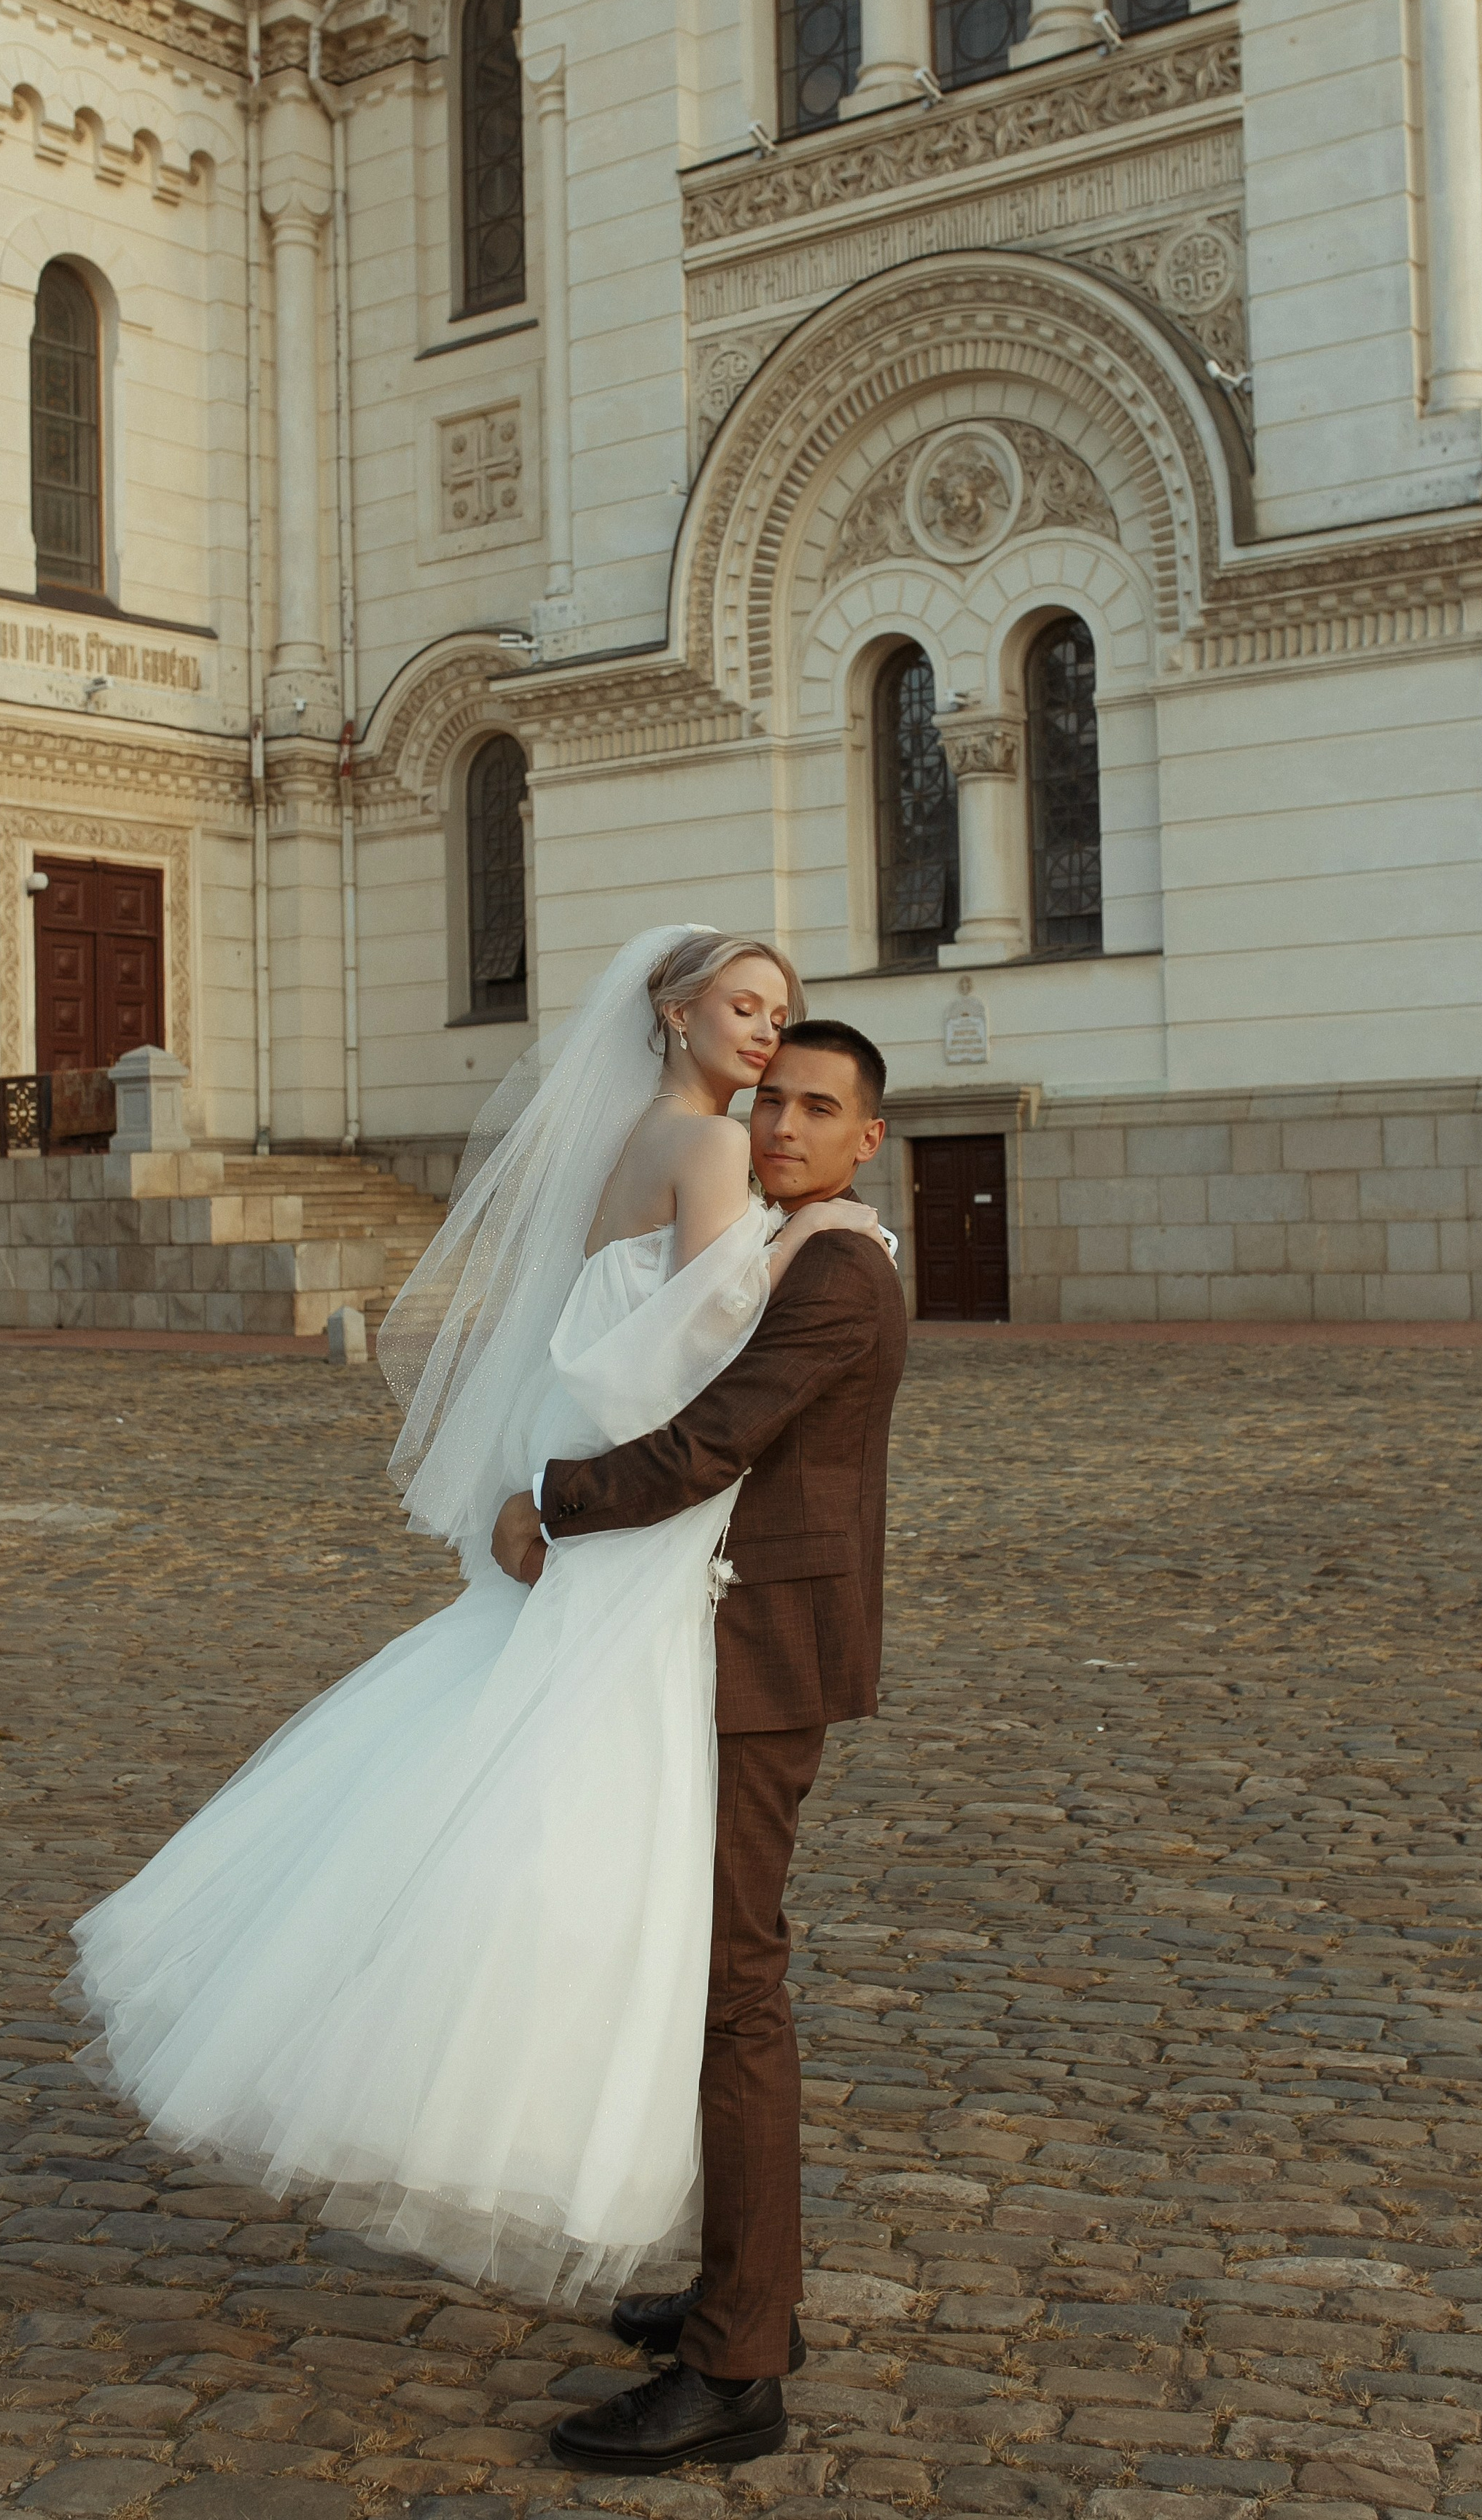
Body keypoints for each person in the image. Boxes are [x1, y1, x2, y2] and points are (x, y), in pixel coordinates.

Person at [65, 926, 879, 2317]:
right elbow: (701, 1363)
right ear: (674, 1011)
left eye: (783, 1023)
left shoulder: (637, 1146)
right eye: (746, 1013)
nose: (765, 1045)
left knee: (549, 1842)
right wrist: (813, 1232)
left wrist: (539, 1491)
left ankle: (707, 2278)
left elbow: (631, 1348)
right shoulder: (715, 1162)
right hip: (651, 1549)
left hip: (642, 1544)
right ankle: (701, 2281)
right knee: (652, 1921)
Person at [491, 1017, 906, 2478]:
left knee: (734, 1992)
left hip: (759, 1663)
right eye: (769, 1099)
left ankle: (737, 2373)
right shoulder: (783, 1248)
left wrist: (544, 1488)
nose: (778, 1125)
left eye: (817, 1109)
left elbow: (708, 1444)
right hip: (714, 1644)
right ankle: (747, 2299)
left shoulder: (840, 1274)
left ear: (868, 1137)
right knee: (706, 1980)